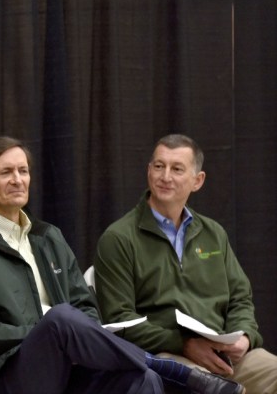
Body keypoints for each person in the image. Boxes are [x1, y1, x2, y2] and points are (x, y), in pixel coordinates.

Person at [0, 136, 245, 394]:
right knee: (60, 319)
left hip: (70, 369)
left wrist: (69, 336)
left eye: (23, 171)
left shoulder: (47, 237)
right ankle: (170, 369)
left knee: (141, 380)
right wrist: (43, 330)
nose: (17, 180)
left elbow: (86, 308)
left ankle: (158, 370)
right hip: (5, 374)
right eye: (5, 173)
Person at [95, 133, 277, 393]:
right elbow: (120, 321)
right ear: (149, 171)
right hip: (165, 354)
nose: (165, 176)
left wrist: (245, 336)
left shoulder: (214, 233)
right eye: (159, 166)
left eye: (177, 169)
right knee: (214, 387)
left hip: (224, 353)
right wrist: (184, 344)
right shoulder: (118, 238)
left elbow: (241, 298)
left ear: (197, 181)